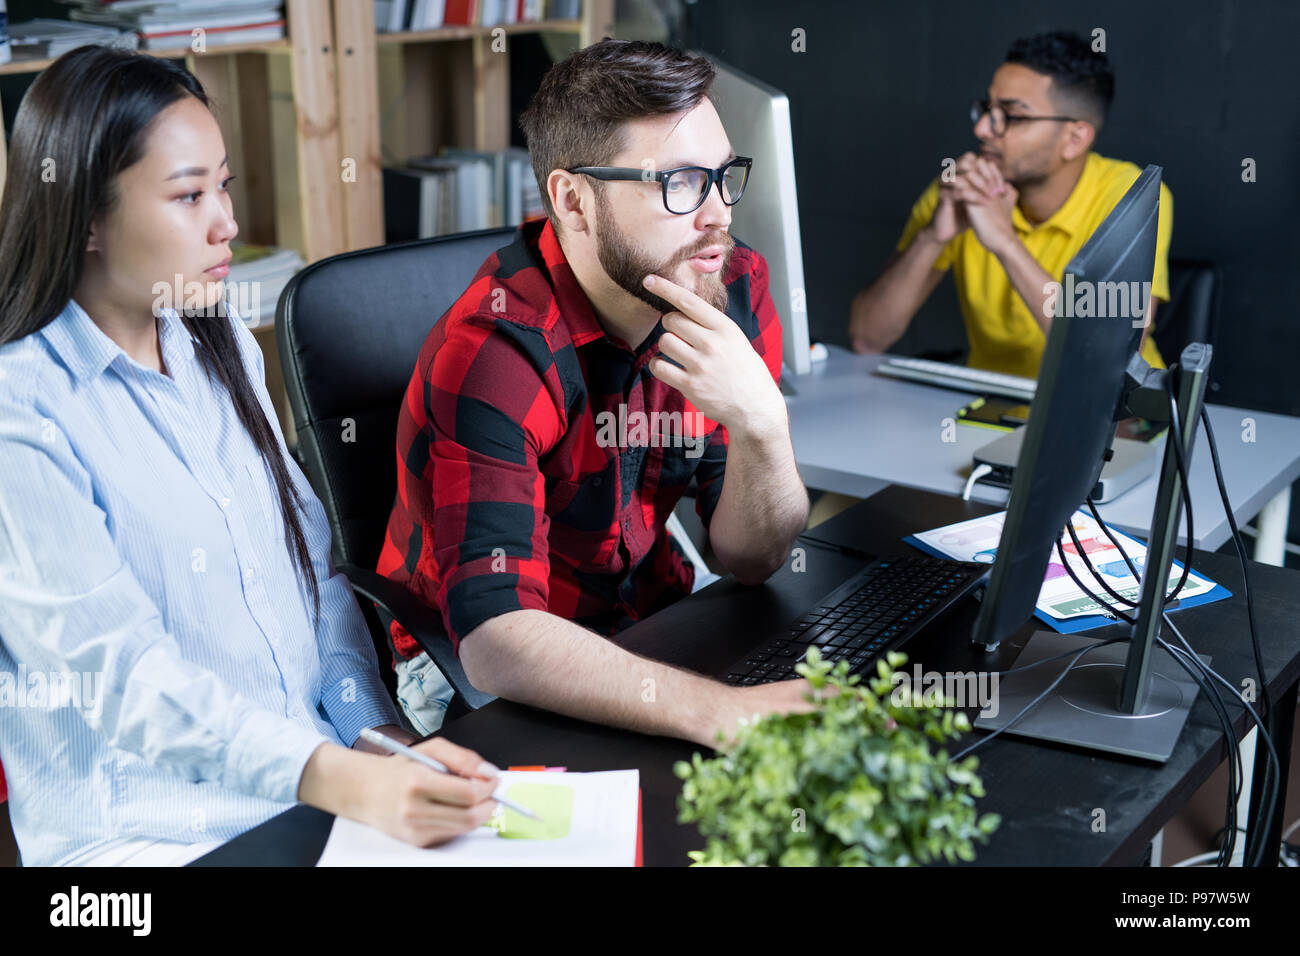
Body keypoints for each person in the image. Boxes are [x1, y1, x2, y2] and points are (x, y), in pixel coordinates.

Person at [0, 46, 500, 867]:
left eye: (223, 185)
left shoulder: (218, 340)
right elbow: (126, 679)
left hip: (305, 800)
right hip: (150, 844)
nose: (226, 222)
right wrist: (340, 779)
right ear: (86, 217)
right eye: (189, 195)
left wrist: (376, 739)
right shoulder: (22, 413)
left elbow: (317, 579)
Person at [376, 40, 814, 743]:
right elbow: (494, 640)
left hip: (647, 615)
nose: (718, 216)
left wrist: (765, 424)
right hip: (481, 673)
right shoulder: (495, 352)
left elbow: (751, 558)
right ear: (573, 201)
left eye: (723, 176)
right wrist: (720, 713)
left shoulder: (726, 284)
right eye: (678, 184)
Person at [848, 30, 1173, 378]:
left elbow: (1109, 355)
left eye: (1013, 117)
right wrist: (932, 237)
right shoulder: (962, 188)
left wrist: (1005, 242)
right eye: (986, 109)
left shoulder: (1131, 196)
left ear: (1074, 138)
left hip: (1117, 418)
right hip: (989, 409)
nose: (984, 130)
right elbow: (867, 338)